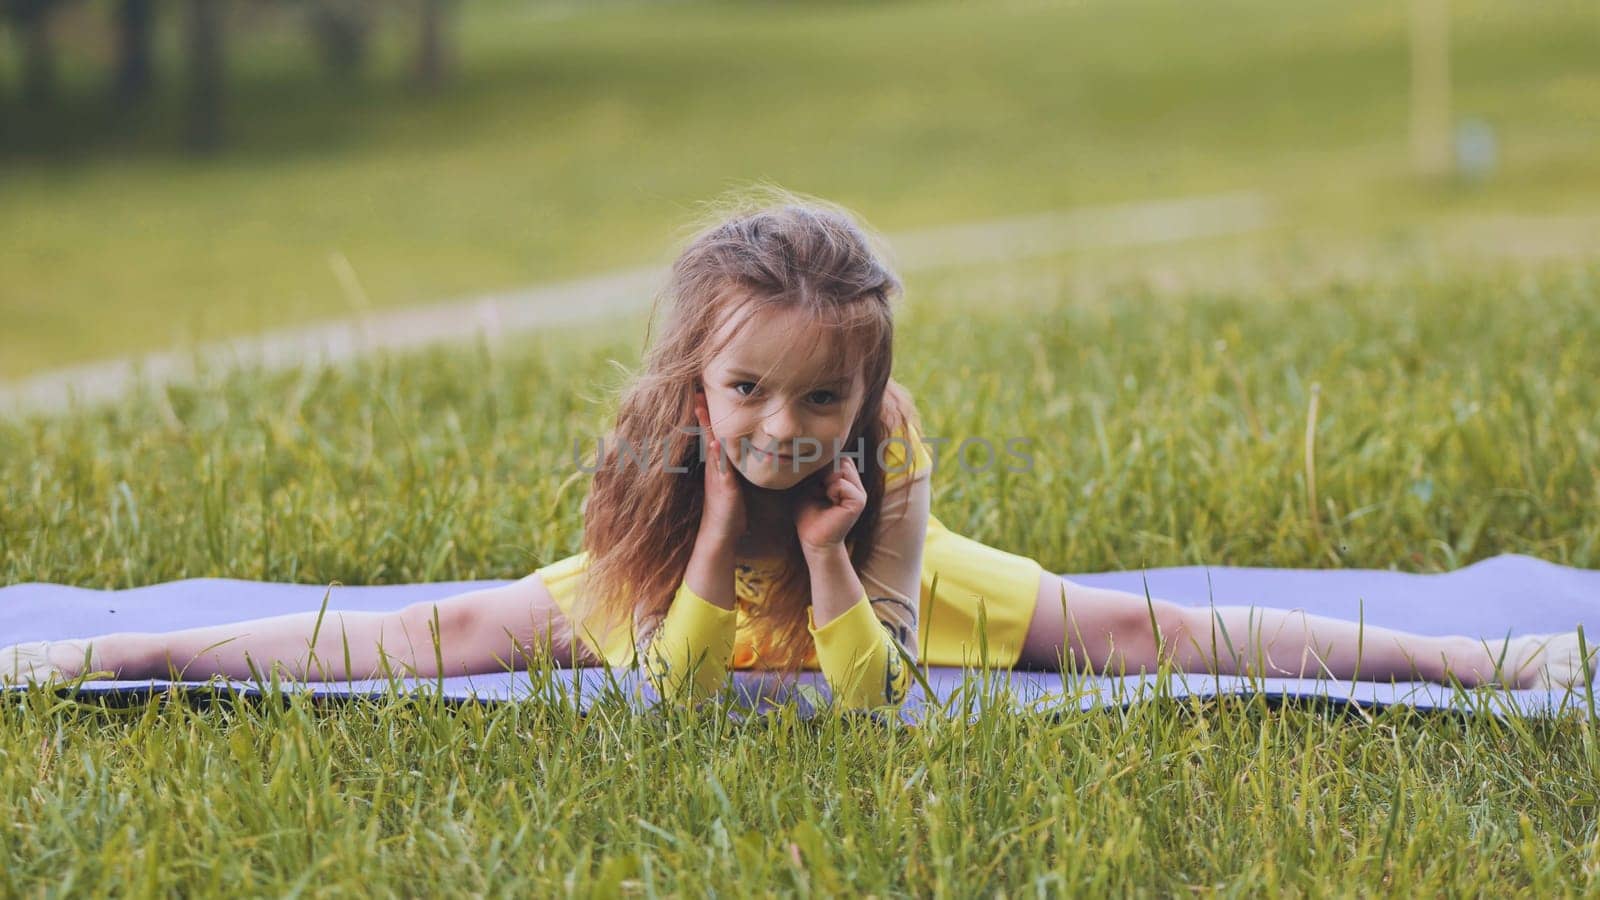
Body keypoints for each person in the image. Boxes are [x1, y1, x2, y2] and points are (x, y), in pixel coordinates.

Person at [2, 195, 1591, 708]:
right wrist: (707, 544)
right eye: (751, 393)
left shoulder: (875, 451)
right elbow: (674, 698)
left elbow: (876, 695)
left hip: (868, 591)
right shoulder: (660, 459)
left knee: (1134, 624)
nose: (781, 429)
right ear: (702, 376)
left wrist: (844, 549)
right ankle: (119, 648)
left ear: (864, 396)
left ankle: (1476, 662)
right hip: (674, 579)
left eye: (817, 401)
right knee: (444, 628)